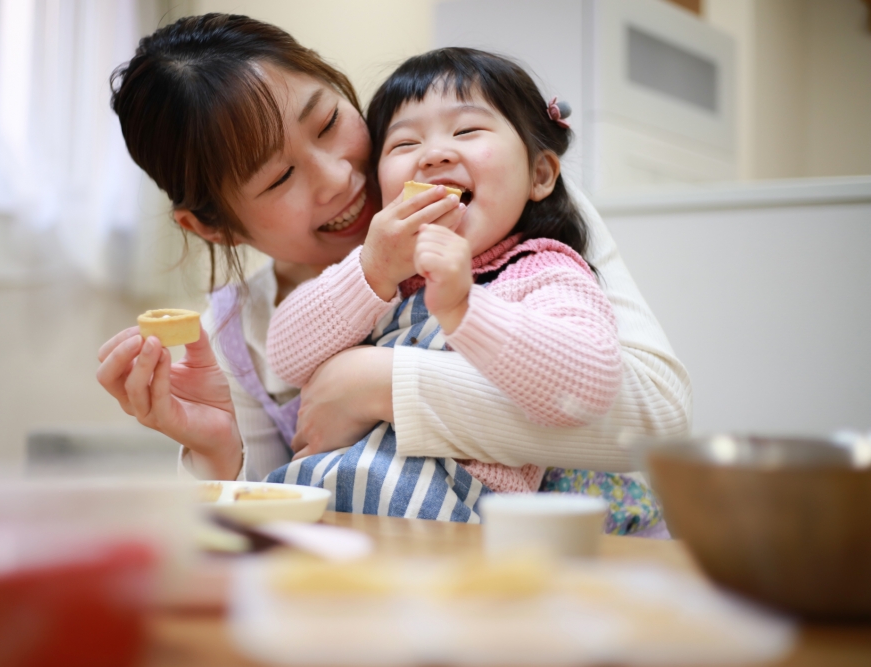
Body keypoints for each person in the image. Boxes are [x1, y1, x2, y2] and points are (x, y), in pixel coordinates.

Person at [95, 15, 691, 529]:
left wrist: (376, 383)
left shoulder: (517, 216)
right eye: (279, 178)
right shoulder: (234, 338)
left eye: (328, 121)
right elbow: (264, 523)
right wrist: (214, 452)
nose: (337, 178)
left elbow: (654, 418)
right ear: (212, 227)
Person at [264, 47, 625, 520]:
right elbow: (284, 355)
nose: (434, 155)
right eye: (404, 145)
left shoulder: (543, 271)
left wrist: (464, 308)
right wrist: (372, 270)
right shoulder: (381, 273)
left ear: (539, 174)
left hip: (453, 521)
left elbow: (590, 384)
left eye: (467, 131)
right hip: (327, 510)